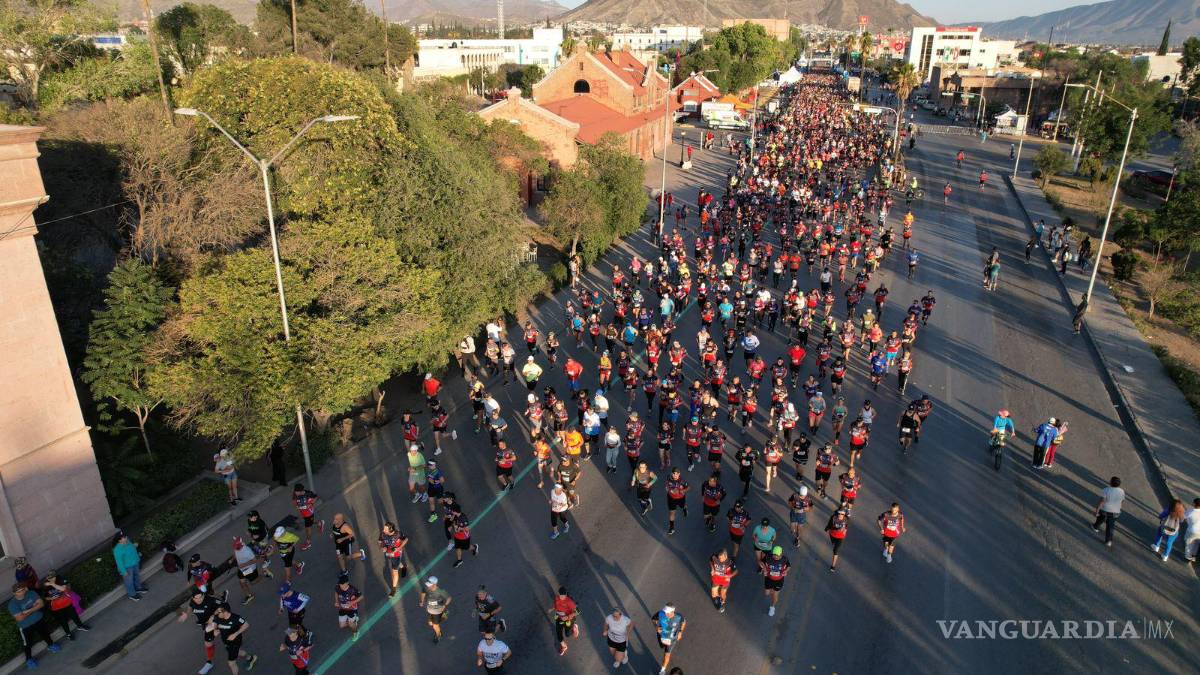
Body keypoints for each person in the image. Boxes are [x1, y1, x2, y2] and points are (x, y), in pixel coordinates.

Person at [9, 583, 59, 669]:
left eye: (22, 590)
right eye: (18, 591)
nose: (21, 592)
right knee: (27, 643)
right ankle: (29, 659)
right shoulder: (12, 604)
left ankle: (51, 645)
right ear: (14, 593)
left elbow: (41, 604)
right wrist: (35, 607)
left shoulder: (31, 593)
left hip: (38, 619)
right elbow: (20, 618)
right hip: (25, 626)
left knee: (45, 634)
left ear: (25, 589)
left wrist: (27, 611)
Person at [178, 588, 221, 674]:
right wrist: (187, 614)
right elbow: (190, 607)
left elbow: (224, 606)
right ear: (193, 598)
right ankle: (209, 663)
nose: (198, 600)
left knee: (228, 639)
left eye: (200, 597)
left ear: (203, 595)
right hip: (206, 625)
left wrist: (213, 616)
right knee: (208, 644)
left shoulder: (210, 600)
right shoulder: (193, 601)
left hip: (217, 622)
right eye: (196, 598)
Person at [207, 603, 258, 674]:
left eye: (219, 612)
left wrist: (235, 634)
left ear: (225, 612)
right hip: (226, 641)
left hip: (235, 642)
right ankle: (251, 658)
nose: (217, 613)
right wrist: (214, 629)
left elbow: (246, 625)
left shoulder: (236, 618)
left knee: (231, 663)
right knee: (238, 652)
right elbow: (213, 625)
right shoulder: (218, 617)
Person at [40, 570, 89, 640]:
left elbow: (64, 589)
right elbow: (45, 597)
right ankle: (68, 634)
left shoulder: (60, 579)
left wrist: (52, 584)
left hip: (67, 602)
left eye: (53, 577)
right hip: (56, 607)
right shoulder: (45, 585)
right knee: (63, 621)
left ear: (56, 576)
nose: (51, 579)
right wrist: (51, 598)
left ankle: (80, 626)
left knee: (74, 615)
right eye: (49, 578)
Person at [113, 531, 148, 601]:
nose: (126, 538)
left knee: (137, 576)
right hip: (127, 568)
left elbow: (131, 549)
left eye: (125, 536)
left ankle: (138, 588)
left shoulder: (128, 541)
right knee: (129, 581)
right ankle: (132, 594)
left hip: (135, 563)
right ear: (119, 540)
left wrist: (135, 547)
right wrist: (124, 572)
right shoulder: (117, 550)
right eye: (123, 538)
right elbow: (119, 562)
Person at [1092, 476, 1125, 547]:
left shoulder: (1106, 490)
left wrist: (1097, 511)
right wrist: (1119, 508)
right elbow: (1122, 501)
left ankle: (1095, 526)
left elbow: (1102, 502)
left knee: (1101, 517)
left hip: (1105, 509)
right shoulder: (1122, 491)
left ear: (1110, 482)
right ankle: (1108, 541)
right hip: (1115, 511)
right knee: (1110, 525)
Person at [378, 522, 409, 596]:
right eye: (384, 528)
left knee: (394, 571)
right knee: (395, 562)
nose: (383, 530)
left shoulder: (398, 534)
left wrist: (399, 548)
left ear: (391, 530)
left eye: (385, 529)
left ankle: (393, 589)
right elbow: (379, 541)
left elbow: (406, 539)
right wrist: (382, 547)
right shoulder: (383, 534)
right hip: (389, 553)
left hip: (396, 554)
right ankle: (403, 567)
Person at [654, 604, 686, 675]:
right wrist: (656, 627)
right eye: (665, 612)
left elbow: (684, 622)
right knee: (662, 647)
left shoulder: (679, 617)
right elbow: (653, 619)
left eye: (667, 613)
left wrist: (680, 632)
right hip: (661, 637)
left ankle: (662, 670)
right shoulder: (661, 613)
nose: (665, 614)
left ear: (672, 612)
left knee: (667, 655)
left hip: (671, 640)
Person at [418, 577, 452, 644]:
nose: (428, 586)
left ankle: (438, 635)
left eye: (429, 584)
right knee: (430, 623)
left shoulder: (440, 591)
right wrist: (422, 601)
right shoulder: (426, 588)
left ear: (434, 584)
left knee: (435, 625)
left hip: (437, 611)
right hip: (429, 610)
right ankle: (443, 616)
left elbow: (449, 598)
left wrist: (444, 605)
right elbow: (423, 592)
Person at [760, 546, 791, 617]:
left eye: (777, 555)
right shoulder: (768, 557)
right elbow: (761, 562)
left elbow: (789, 566)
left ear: (781, 554)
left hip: (779, 581)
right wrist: (764, 569)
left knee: (775, 595)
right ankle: (772, 591)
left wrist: (786, 571)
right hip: (768, 578)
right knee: (767, 593)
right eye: (774, 554)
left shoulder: (784, 559)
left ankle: (772, 607)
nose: (775, 556)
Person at [291, 484, 324, 549]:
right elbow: (294, 501)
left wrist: (311, 504)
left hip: (309, 514)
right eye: (295, 491)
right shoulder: (295, 495)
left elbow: (316, 497)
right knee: (310, 522)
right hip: (303, 513)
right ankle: (320, 523)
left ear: (301, 491)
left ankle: (308, 543)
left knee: (308, 529)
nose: (295, 493)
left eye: (297, 492)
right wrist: (297, 506)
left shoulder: (308, 494)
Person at [550, 586, 579, 656]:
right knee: (558, 633)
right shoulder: (557, 598)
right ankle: (564, 646)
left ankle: (574, 627)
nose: (562, 597)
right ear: (558, 594)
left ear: (566, 595)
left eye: (563, 596)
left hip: (568, 620)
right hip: (559, 618)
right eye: (560, 595)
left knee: (567, 634)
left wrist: (567, 617)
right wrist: (552, 609)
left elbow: (578, 611)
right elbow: (556, 605)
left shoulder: (570, 602)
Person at [334, 571, 363, 641]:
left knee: (351, 624)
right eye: (340, 584)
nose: (341, 586)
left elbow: (361, 596)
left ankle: (356, 632)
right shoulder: (338, 587)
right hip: (342, 608)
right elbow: (336, 592)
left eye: (342, 584)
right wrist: (336, 601)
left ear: (347, 583)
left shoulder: (352, 590)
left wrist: (352, 602)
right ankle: (354, 621)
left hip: (352, 609)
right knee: (342, 626)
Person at [232, 537, 260, 604]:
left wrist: (243, 565)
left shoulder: (247, 551)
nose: (236, 548)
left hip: (249, 569)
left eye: (237, 547)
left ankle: (262, 575)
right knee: (242, 582)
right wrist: (232, 559)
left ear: (240, 545)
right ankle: (249, 596)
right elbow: (235, 553)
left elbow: (254, 560)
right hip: (241, 569)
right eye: (235, 547)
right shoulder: (236, 547)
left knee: (252, 583)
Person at [825, 507, 850, 572]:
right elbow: (829, 525)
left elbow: (846, 525)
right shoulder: (833, 517)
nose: (840, 515)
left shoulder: (846, 519)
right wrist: (827, 528)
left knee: (835, 550)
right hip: (832, 534)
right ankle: (835, 546)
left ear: (844, 514)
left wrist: (845, 530)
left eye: (842, 514)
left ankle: (833, 566)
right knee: (833, 544)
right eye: (839, 513)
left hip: (840, 537)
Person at [1184, 498, 1200, 562]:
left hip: (1191, 531)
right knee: (1196, 544)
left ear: (1194, 504)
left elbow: (1184, 517)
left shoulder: (1191, 511)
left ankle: (1188, 557)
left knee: (1189, 544)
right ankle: (1193, 555)